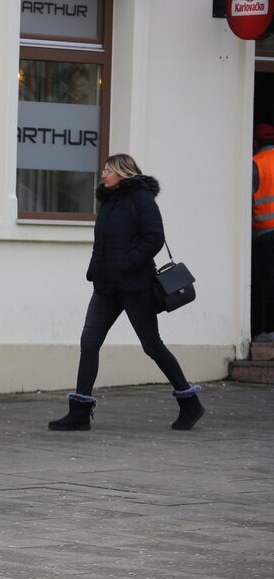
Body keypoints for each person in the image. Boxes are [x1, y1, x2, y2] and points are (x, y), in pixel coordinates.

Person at [48, 154, 205, 432]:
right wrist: (95, 269)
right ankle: (79, 411)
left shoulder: (141, 198)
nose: (103, 174)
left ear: (123, 172)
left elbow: (154, 238)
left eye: (108, 170)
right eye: (103, 170)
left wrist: (125, 264)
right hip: (106, 286)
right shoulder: (108, 201)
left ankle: (189, 402)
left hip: (136, 286)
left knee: (151, 345)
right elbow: (101, 242)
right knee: (89, 341)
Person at [251, 124, 274, 341]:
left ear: (256, 142)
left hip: (265, 233)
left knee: (266, 282)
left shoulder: (255, 163)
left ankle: (267, 330)